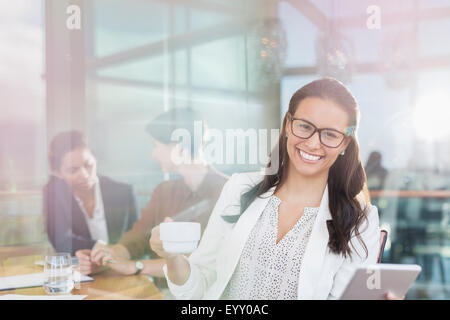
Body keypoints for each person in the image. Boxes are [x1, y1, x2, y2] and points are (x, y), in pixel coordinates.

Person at [150, 78, 402, 300]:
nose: (313, 143)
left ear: (345, 142)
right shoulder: (240, 188)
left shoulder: (361, 220)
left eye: (330, 134)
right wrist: (172, 257)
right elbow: (197, 286)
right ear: (287, 125)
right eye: (304, 126)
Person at [77, 108, 228, 282]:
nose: (153, 153)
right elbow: (139, 238)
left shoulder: (228, 191)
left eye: (156, 145)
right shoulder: (164, 191)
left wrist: (136, 266)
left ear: (177, 146)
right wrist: (107, 257)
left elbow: (201, 262)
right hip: (160, 291)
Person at [44, 130, 138, 256]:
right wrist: (99, 248)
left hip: (121, 268)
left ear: (95, 159)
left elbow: (137, 242)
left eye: (88, 165)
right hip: (82, 270)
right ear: (58, 173)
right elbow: (61, 241)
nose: (84, 174)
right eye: (73, 170)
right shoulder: (54, 193)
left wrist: (114, 254)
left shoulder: (123, 193)